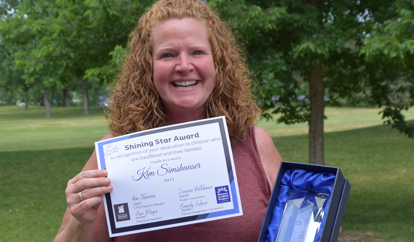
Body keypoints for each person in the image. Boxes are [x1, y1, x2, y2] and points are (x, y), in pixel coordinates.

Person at [54, 0, 282, 241]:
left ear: (217, 63)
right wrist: (81, 220)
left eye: (197, 52)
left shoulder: (256, 145)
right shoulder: (113, 157)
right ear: (147, 67)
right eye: (168, 54)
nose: (184, 66)